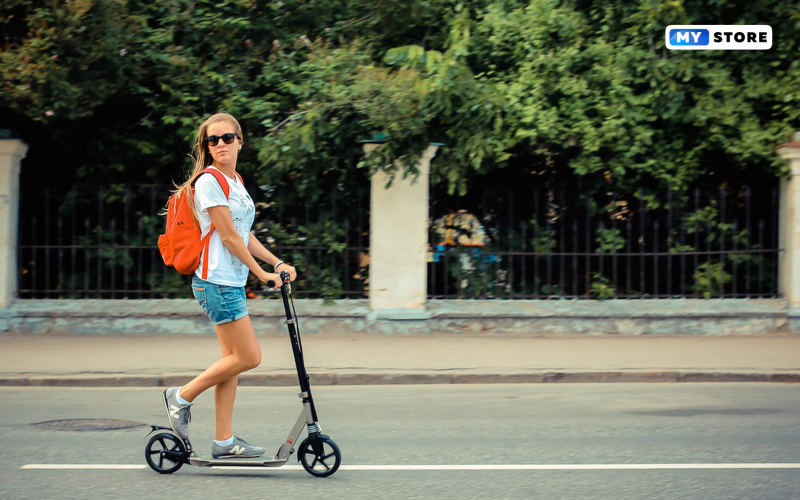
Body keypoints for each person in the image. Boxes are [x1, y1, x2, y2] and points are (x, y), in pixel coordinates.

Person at [162, 112, 297, 459]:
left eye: (227, 137)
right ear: (206, 146)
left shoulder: (234, 180)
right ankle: (180, 397)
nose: (220, 144)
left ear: (239, 140)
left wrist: (275, 262)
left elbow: (244, 234)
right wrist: (261, 275)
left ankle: (224, 440)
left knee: (232, 362)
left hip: (227, 282)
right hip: (216, 281)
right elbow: (227, 236)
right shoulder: (209, 181)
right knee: (249, 357)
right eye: (212, 139)